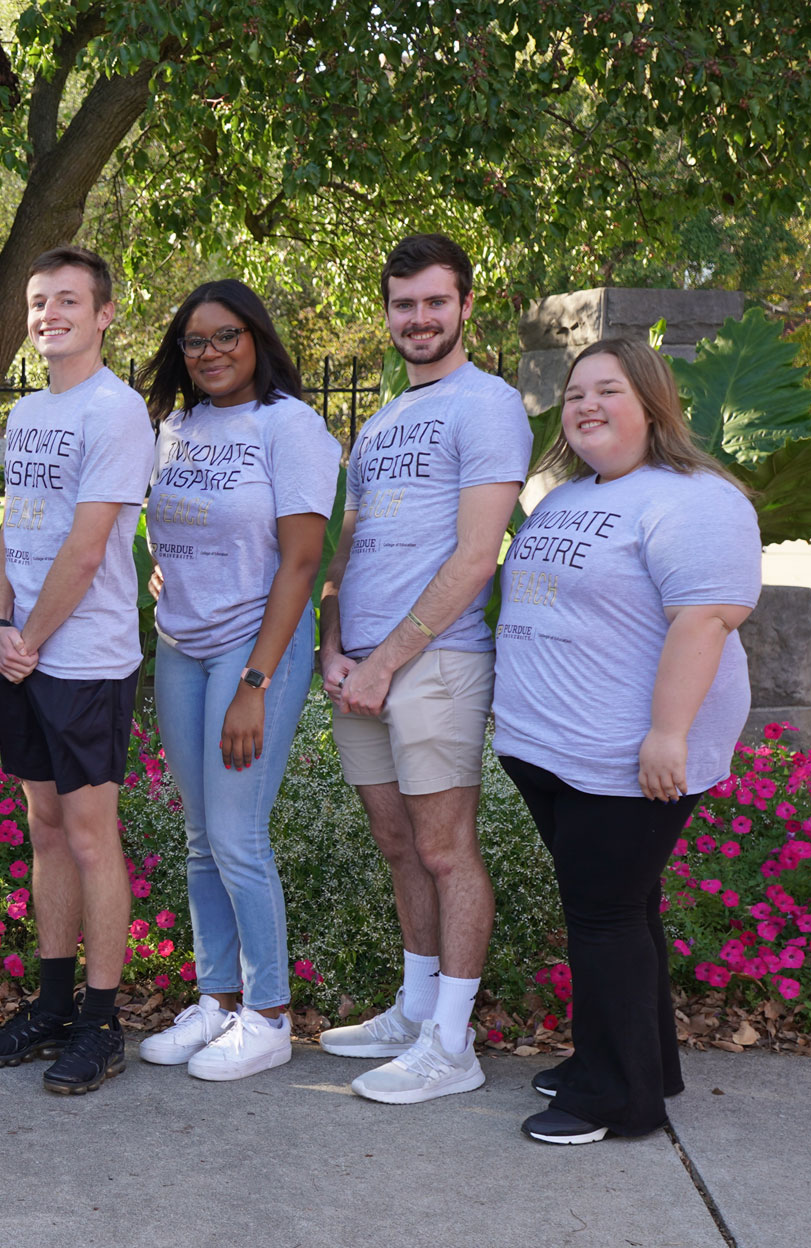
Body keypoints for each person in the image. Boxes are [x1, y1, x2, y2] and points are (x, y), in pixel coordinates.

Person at [494, 338, 759, 1144]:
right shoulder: (572, 496)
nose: (585, 406)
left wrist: (668, 734)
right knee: (625, 907)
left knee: (604, 915)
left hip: (625, 753)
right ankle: (644, 1065)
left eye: (607, 390)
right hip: (553, 747)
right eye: (575, 394)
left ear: (651, 403)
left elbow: (706, 619)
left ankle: (619, 1100)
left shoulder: (695, 498)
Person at [316, 233, 532, 1104]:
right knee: (396, 842)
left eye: (435, 302)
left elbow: (478, 557)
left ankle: (452, 1043)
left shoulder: (487, 408)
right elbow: (348, 550)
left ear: (465, 305)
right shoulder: (379, 420)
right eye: (404, 304)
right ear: (388, 312)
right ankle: (412, 1010)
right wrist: (336, 647)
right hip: (361, 666)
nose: (419, 318)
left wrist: (389, 662)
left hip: (434, 663)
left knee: (445, 851)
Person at [134, 281, 340, 1080]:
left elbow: (299, 560)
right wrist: (165, 573)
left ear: (256, 339)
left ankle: (270, 1013)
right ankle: (217, 1001)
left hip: (255, 651)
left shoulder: (290, 427)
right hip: (182, 645)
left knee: (237, 836)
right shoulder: (175, 428)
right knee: (198, 836)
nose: (210, 352)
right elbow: (173, 524)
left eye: (226, 336)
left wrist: (256, 679)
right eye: (194, 341)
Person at [0, 246, 156, 1095]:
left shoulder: (116, 413)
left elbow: (85, 552)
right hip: (29, 651)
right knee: (44, 829)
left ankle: (101, 1020)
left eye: (68, 301)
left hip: (84, 660)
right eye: (40, 301)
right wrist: (1, 621)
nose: (50, 313)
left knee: (89, 835)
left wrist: (30, 639)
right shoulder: (28, 413)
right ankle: (49, 1005)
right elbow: (18, 526)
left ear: (105, 313)